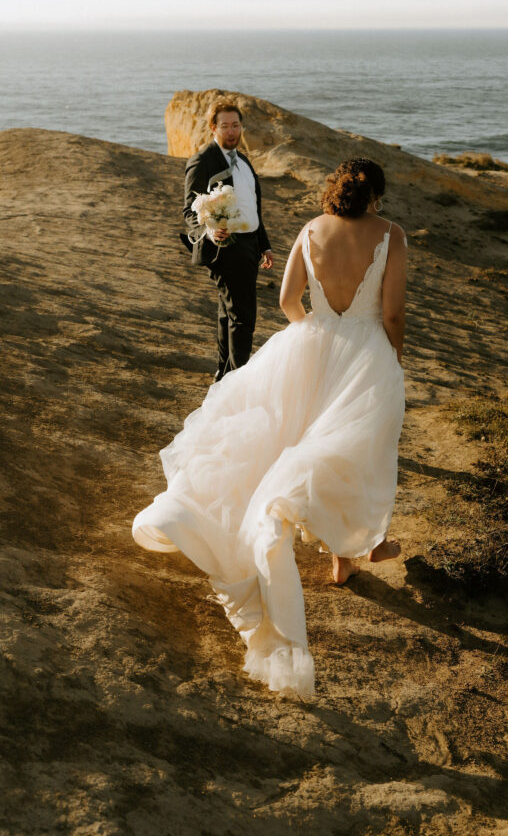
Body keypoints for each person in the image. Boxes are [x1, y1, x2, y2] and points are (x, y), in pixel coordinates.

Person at [133, 158, 407, 697]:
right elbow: (393, 314)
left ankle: (346, 558)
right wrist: (389, 357)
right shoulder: (391, 235)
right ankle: (354, 549)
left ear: (335, 192)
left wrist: (316, 335)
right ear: (374, 195)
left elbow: (286, 301)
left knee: (302, 441)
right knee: (353, 447)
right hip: (367, 350)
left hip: (309, 347)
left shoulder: (310, 230)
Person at [182, 100, 274, 381]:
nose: (232, 131)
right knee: (243, 316)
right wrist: (210, 229)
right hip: (225, 246)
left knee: (228, 312)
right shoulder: (202, 160)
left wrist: (264, 245)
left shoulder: (244, 162)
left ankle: (224, 375)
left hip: (249, 245)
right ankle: (238, 380)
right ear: (213, 127)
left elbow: (253, 207)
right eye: (225, 126)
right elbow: (189, 211)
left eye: (236, 125)